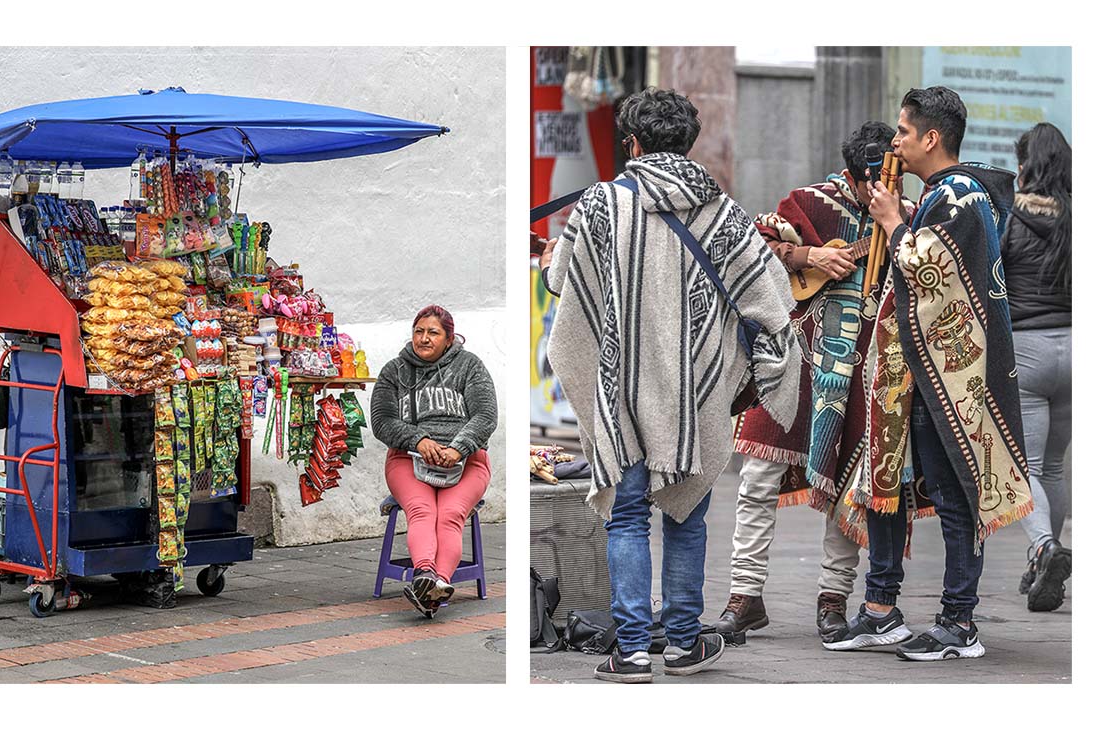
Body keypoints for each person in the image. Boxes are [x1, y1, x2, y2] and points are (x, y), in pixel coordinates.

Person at [540, 87, 801, 682]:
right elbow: (771, 300)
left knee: (626, 518)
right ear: (689, 143)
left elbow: (561, 282)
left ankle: (631, 651)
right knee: (688, 517)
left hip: (620, 389)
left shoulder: (601, 204)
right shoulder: (723, 211)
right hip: (697, 395)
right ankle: (684, 645)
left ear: (631, 142)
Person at [823, 86, 1033, 661]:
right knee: (890, 487)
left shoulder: (961, 195)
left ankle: (959, 622)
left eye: (904, 132)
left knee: (954, 494)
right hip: (919, 373)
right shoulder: (946, 196)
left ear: (931, 138)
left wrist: (892, 223)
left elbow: (926, 272)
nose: (895, 142)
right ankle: (880, 608)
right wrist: (904, 219)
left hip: (954, 379)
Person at [723, 122, 915, 645]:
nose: (883, 192)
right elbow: (752, 247)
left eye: (891, 183)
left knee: (847, 487)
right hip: (794, 367)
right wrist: (809, 256)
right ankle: (744, 596)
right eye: (871, 183)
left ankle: (833, 598)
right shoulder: (808, 203)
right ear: (852, 176)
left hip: (862, 377)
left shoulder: (907, 218)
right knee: (757, 478)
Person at [369, 305, 497, 618]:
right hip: (408, 459)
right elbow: (382, 421)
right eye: (419, 331)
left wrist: (459, 447)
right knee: (422, 511)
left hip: (467, 461)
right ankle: (426, 575)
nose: (424, 339)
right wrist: (418, 440)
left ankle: (436, 583)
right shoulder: (394, 371)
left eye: (433, 333)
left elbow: (485, 415)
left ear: (449, 338)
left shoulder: (470, 366)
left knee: (451, 514)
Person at [1003, 123, 1072, 612]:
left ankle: (1045, 547)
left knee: (1024, 466)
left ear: (1024, 166)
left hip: (1026, 352)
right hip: (1078, 349)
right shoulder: (1080, 218)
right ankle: (1042, 562)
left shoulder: (1008, 217)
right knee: (1053, 465)